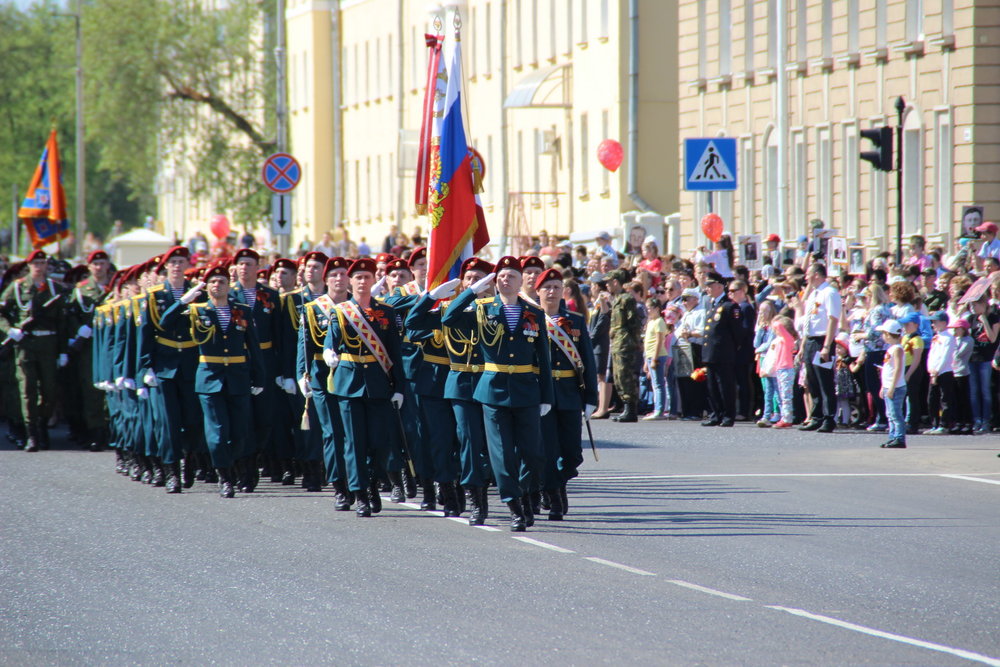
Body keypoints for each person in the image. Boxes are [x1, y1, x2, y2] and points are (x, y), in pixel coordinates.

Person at [440, 256, 554, 532]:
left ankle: (527, 495)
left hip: (527, 389)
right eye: (501, 276)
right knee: (502, 455)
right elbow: (448, 317)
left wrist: (546, 396)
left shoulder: (533, 312)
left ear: (521, 282)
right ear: (494, 281)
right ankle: (514, 505)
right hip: (492, 390)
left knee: (533, 454)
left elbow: (544, 357)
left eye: (511, 276)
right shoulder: (481, 309)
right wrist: (471, 291)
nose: (506, 280)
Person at [324, 258, 406, 517]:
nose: (362, 281)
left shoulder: (387, 312)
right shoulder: (340, 310)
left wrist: (399, 387)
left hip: (378, 384)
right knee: (354, 442)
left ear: (374, 281)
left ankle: (372, 484)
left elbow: (395, 352)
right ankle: (360, 494)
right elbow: (331, 343)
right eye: (357, 277)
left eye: (366, 277)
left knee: (378, 442)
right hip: (348, 383)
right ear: (350, 281)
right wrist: (329, 354)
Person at [535, 267, 597, 519]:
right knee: (548, 450)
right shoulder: (531, 319)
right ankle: (555, 494)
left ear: (563, 291)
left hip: (570, 393)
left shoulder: (576, 321)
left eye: (556, 288)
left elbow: (588, 362)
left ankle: (557, 483)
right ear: (537, 292)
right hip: (542, 396)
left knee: (572, 453)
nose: (551, 292)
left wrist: (591, 398)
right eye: (546, 288)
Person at [0, 250, 68, 452]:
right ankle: (32, 434)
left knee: (48, 389)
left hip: (48, 342)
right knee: (27, 390)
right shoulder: (19, 287)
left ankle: (43, 425)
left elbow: (62, 323)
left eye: (42, 262)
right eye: (35, 263)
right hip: (26, 344)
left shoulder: (55, 288)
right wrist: (9, 330)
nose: (39, 266)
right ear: (29, 265)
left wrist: (63, 350)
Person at [799, 263, 841, 433]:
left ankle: (829, 418)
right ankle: (816, 417)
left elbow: (833, 319)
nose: (806, 277)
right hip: (810, 340)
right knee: (813, 381)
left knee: (825, 381)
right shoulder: (814, 294)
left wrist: (826, 346)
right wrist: (803, 345)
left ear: (816, 274)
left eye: (808, 274)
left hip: (822, 340)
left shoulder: (829, 293)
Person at [701, 272, 740, 427]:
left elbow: (737, 333)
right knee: (712, 386)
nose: (708, 289)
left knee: (725, 386)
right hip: (711, 353)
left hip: (723, 354)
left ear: (719, 286)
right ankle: (716, 414)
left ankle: (728, 415)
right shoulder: (713, 306)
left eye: (710, 286)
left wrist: (730, 350)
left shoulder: (730, 306)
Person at [606, 268, 643, 422]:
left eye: (609, 282)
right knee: (618, 376)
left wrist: (634, 342)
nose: (607, 285)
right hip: (617, 342)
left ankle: (631, 409)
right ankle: (626, 407)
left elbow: (634, 323)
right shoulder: (617, 299)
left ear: (616, 282)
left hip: (625, 343)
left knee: (625, 375)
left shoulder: (627, 299)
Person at [925, 311, 956, 435]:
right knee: (932, 398)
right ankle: (934, 423)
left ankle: (944, 424)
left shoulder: (949, 337)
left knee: (945, 399)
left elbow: (945, 356)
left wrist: (937, 371)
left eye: (935, 322)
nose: (933, 325)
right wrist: (930, 369)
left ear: (943, 323)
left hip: (944, 372)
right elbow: (931, 355)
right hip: (933, 372)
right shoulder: (936, 337)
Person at [877, 319, 907, 448]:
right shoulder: (891, 348)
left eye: (884, 333)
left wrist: (892, 387)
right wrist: (883, 387)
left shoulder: (897, 349)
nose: (883, 336)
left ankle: (899, 438)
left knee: (895, 414)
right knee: (890, 414)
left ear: (889, 334)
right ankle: (892, 436)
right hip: (888, 386)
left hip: (896, 387)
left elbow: (898, 369)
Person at [642, 298, 669, 420]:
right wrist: (646, 361)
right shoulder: (651, 322)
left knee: (658, 384)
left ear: (657, 309)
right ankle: (656, 408)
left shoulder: (659, 321)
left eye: (649, 308)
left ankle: (659, 410)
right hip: (650, 355)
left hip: (657, 355)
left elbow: (659, 341)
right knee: (654, 383)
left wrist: (654, 358)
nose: (648, 311)